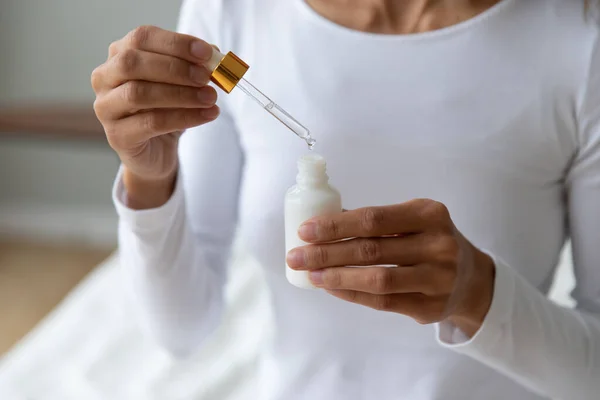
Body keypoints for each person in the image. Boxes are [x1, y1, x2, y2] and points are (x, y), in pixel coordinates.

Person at [90, 0, 600, 398]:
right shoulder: (233, 13)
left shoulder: (579, 42)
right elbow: (181, 331)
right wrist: (148, 180)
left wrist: (479, 296)